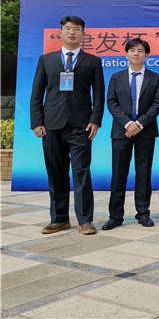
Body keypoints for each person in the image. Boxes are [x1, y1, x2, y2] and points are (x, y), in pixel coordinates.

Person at [30, 15, 105, 235]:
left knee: (81, 172)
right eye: (68, 28)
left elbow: (99, 94)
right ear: (60, 32)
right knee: (56, 173)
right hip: (51, 124)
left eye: (77, 29)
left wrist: (95, 120)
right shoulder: (46, 60)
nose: (72, 32)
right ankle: (59, 219)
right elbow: (36, 93)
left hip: (81, 125)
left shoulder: (92, 61)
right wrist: (37, 121)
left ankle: (85, 220)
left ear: (83, 34)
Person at [103, 39, 159, 230]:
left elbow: (157, 104)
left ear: (147, 55)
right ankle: (115, 216)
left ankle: (143, 213)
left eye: (140, 50)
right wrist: (128, 124)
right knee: (118, 174)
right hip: (122, 131)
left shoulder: (155, 78)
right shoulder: (116, 77)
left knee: (144, 173)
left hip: (146, 132)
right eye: (132, 50)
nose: (136, 53)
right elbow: (111, 102)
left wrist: (139, 124)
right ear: (126, 54)